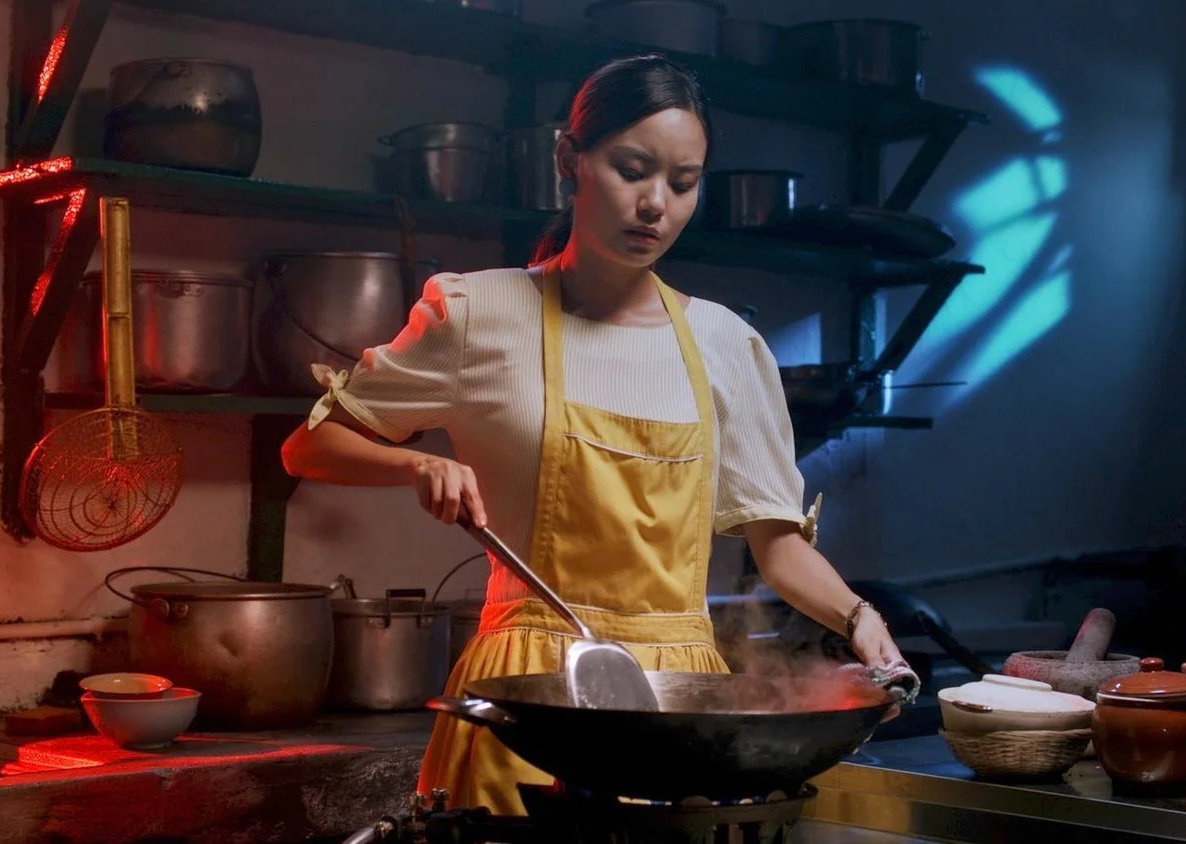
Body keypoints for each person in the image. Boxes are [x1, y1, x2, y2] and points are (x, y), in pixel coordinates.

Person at [280, 54, 908, 816]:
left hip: (682, 710)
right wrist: (413, 466)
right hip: (529, 702)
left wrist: (860, 619)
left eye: (683, 182)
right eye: (632, 170)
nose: (655, 205)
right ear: (568, 161)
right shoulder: (480, 315)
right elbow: (308, 447)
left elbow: (776, 545)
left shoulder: (725, 346)